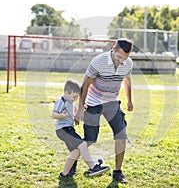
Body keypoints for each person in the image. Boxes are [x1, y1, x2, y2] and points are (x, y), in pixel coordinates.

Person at [74, 38, 134, 183]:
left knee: (121, 134)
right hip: (93, 102)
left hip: (112, 102)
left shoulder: (128, 63)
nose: (121, 61)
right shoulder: (99, 61)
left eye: (124, 58)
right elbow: (85, 84)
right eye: (119, 57)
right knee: (90, 139)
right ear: (114, 48)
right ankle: (71, 163)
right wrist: (81, 108)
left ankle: (117, 172)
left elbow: (127, 81)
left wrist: (129, 100)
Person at [52, 80, 110, 178]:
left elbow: (74, 112)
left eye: (77, 97)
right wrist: (61, 115)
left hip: (69, 129)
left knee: (76, 151)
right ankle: (93, 167)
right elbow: (53, 114)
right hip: (63, 130)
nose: (75, 99)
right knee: (82, 144)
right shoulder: (61, 101)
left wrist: (82, 110)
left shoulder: (71, 102)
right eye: (74, 97)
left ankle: (65, 173)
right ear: (66, 93)